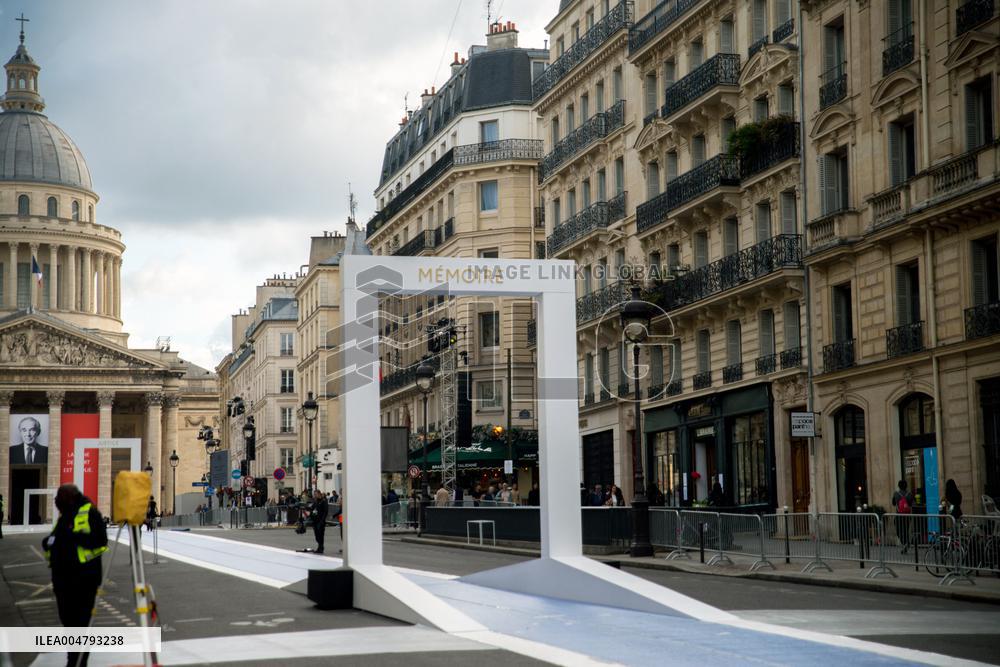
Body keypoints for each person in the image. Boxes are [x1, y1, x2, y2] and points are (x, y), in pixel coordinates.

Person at [42, 484, 108, 667]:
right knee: (69, 623)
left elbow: (101, 541)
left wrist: (73, 537)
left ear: (69, 497)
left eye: (58, 498)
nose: (55, 502)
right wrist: (48, 542)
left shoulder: (89, 512)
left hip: (83, 580)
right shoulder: (66, 515)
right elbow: (56, 538)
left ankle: (77, 662)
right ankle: (73, 659)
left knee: (80, 624)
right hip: (63, 581)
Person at [891, 480, 915, 553]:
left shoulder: (896, 494)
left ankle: (905, 543)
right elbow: (912, 504)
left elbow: (893, 503)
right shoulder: (910, 494)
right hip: (907, 516)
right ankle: (906, 544)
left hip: (899, 516)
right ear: (906, 486)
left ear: (899, 486)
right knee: (906, 530)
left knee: (899, 531)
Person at [311, 489, 329, 554]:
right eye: (314, 494)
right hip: (315, 521)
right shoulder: (315, 501)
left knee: (320, 535)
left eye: (315, 494)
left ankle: (321, 548)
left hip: (320, 521)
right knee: (317, 536)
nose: (315, 496)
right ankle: (319, 546)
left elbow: (325, 512)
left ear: (319, 494)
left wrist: (322, 521)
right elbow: (312, 509)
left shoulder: (324, 501)